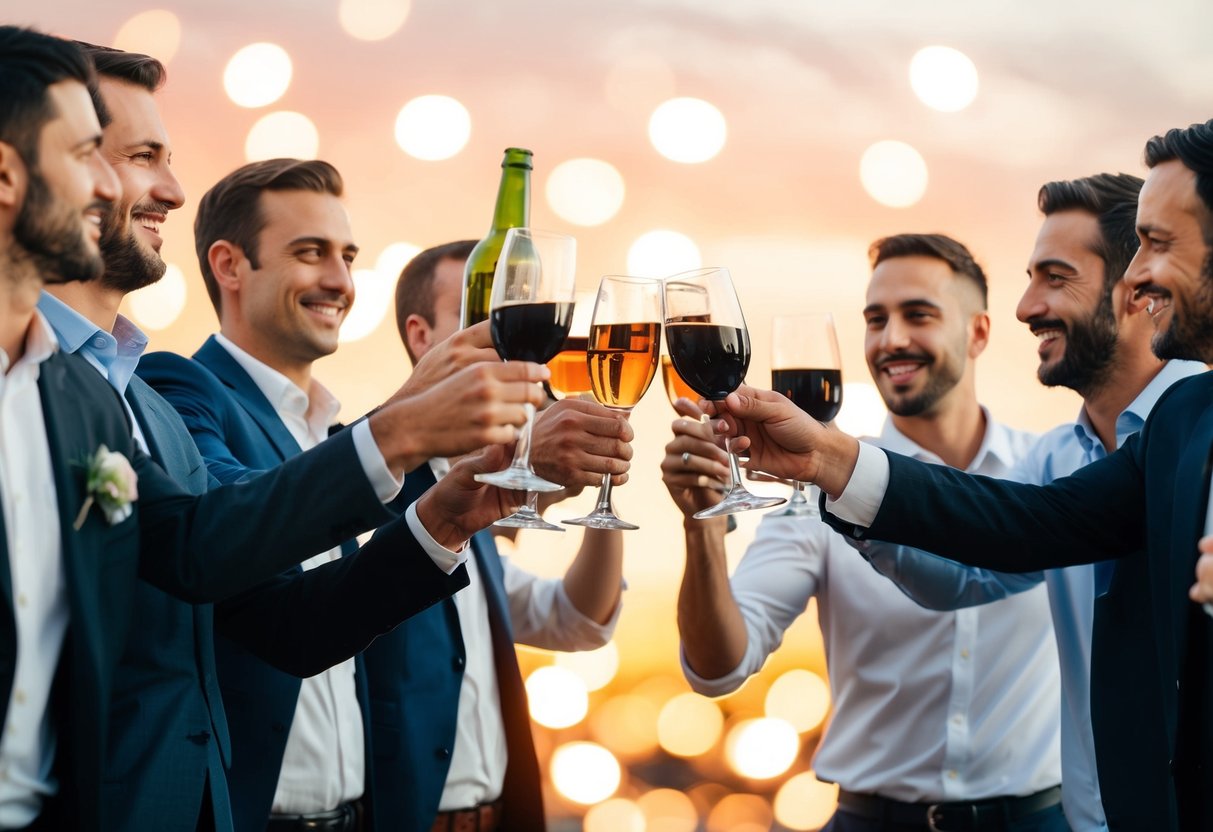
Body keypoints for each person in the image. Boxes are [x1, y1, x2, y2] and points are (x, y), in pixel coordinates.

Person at [0, 27, 545, 832]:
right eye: (127, 155)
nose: (170, 190)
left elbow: (265, 611)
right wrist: (395, 433)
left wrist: (444, 518)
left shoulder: (109, 397)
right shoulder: (167, 387)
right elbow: (214, 541)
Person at [708, 119, 1213, 830]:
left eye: (1156, 245)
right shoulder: (1118, 446)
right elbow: (1012, 534)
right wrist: (826, 461)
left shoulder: (1182, 418)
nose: (1024, 307)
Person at [138, 167, 630, 832]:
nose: (341, 281)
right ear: (229, 265)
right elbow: (234, 530)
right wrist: (406, 420)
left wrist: (450, 516)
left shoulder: (331, 437)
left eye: (348, 257)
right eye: (311, 253)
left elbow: (327, 621)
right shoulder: (179, 389)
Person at [666, 234, 1066, 831]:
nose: (891, 339)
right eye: (876, 319)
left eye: (918, 315)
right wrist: (699, 528)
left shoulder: (1049, 477)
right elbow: (717, 666)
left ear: (979, 332)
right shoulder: (815, 495)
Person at [855, 175, 1206, 830]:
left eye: (1053, 277)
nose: (1023, 307)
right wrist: (835, 478)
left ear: (1135, 287)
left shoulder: (1203, 428)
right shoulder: (1051, 463)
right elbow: (965, 572)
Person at [365, 241, 627, 831]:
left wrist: (604, 484)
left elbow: (574, 620)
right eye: (482, 319)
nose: (506, 339)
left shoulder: (480, 497)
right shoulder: (367, 498)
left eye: (511, 317)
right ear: (419, 335)